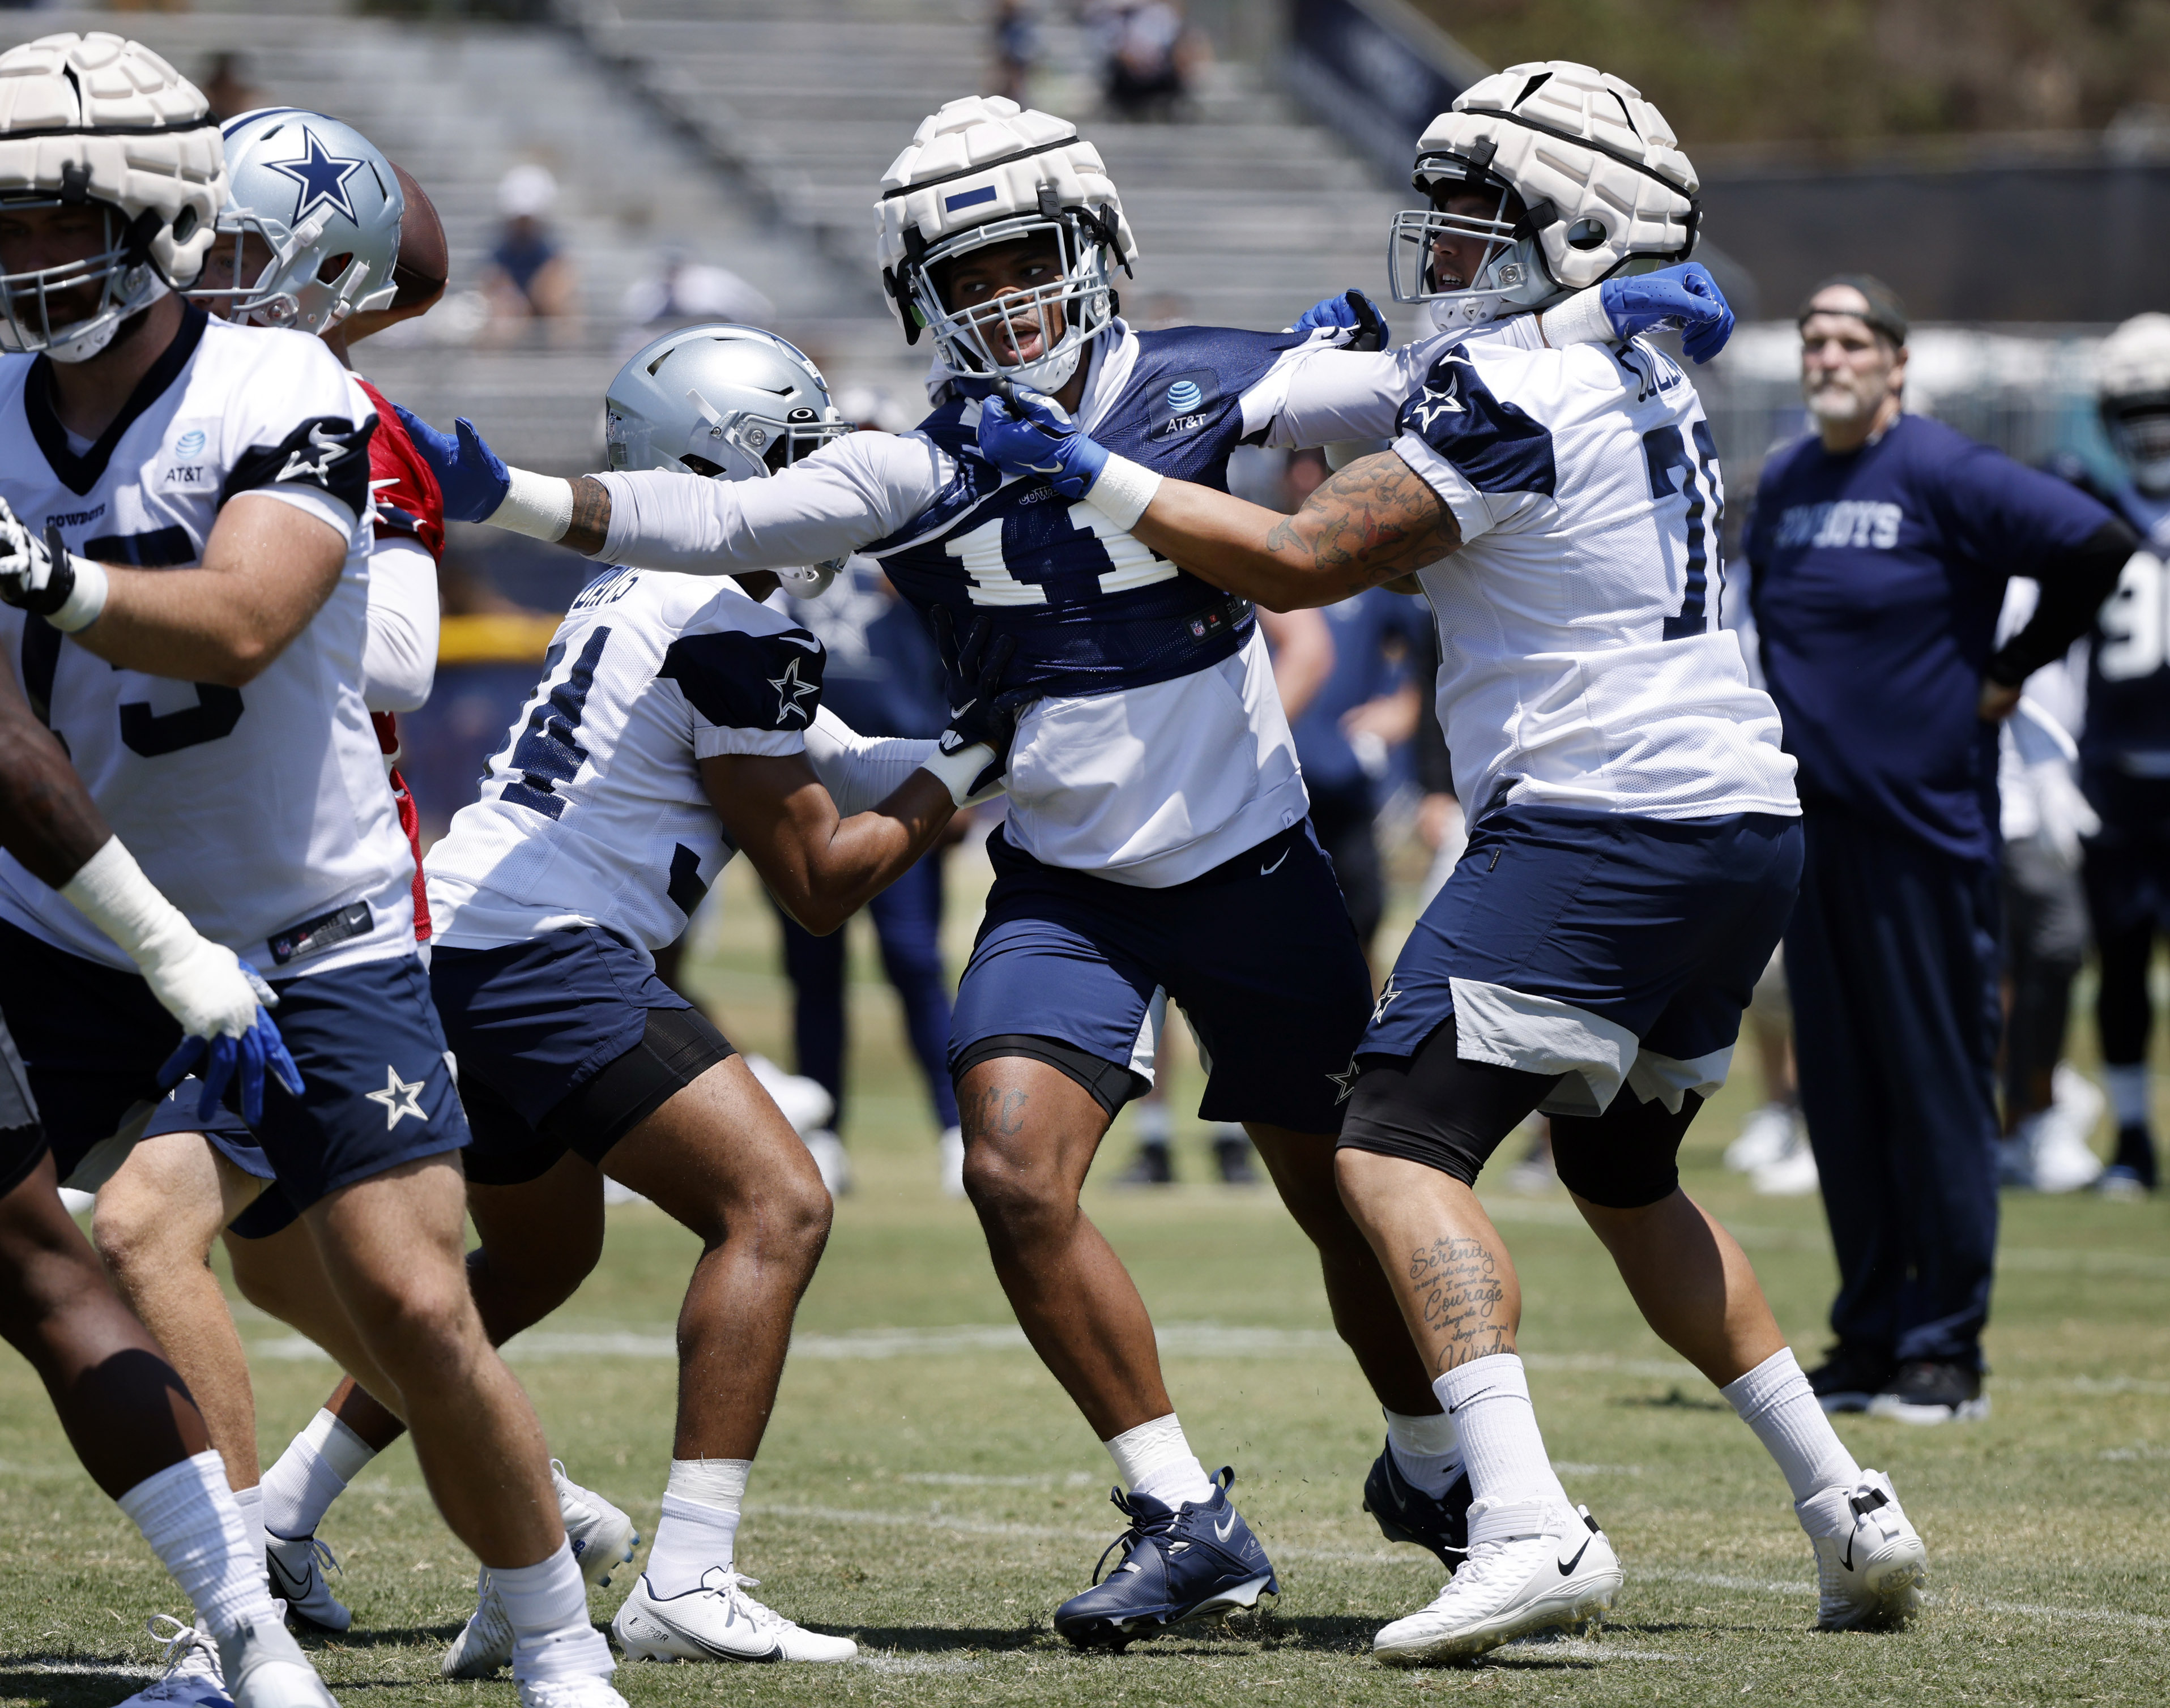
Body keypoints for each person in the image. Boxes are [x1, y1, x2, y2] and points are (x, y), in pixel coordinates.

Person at [398, 89, 1750, 1654]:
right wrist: (512, 496)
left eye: (1023, 261)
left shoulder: (1215, 380)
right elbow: (727, 511)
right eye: (963, 280)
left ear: (1094, 248)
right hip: (1061, 881)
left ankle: (1444, 1469)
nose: (1000, 302)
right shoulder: (917, 458)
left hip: (1247, 863)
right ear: (922, 298)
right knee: (1009, 1173)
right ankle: (1180, 1510)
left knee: (1350, 1196)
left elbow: (1434, 382)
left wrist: (1590, 323)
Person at [972, 59, 1935, 1665]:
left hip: (1598, 814)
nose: (1443, 236)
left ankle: (1516, 1520)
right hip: (1736, 823)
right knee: (1625, 1180)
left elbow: (1294, 558)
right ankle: (1845, 1505)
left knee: (1387, 1147)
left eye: (1481, 212)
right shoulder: (1617, 366)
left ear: (1572, 233)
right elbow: (1354, 442)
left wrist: (1098, 474)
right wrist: (1315, 386)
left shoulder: (1523, 388)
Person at [0, 35, 624, 1708]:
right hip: (62, 921)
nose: (9, 259)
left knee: (413, 1298)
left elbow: (251, 617)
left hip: (304, 917)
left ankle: (558, 1640)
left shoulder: (291, 389)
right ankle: (243, 1635)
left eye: (34, 219)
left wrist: (43, 573)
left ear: (140, 216)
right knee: (116, 1249)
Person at [263, 323, 1030, 1673]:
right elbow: (819, 876)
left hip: (467, 945)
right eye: (791, 459)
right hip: (550, 954)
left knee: (541, 1256)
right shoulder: (731, 614)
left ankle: (291, 1511)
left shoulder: (651, 591)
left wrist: (992, 757)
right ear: (720, 464)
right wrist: (966, 758)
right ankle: (689, 1570)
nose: (812, 491)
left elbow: (839, 760)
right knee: (778, 1202)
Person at [1748, 275, 2131, 1423]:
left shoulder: (1941, 470)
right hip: (1817, 836)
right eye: (1814, 339)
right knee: (1845, 1100)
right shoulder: (1783, 481)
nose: (1827, 355)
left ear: (1895, 363)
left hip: (1925, 832)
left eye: (1850, 340)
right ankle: (1866, 1333)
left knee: (1936, 1092)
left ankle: (1942, 1346)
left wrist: (2007, 672)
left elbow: (2093, 542)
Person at [1, 661, 336, 1708]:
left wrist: (83, 586)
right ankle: (535, 1523)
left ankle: (246, 1625)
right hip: (67, 939)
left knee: (139, 1236)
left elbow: (398, 662)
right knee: (283, 1274)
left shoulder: (312, 502)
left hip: (278, 936)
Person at [771, 554, 968, 1197]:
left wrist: (961, 775)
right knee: (813, 968)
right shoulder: (770, 546)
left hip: (907, 782)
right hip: (799, 789)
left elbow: (957, 653)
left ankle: (956, 1130)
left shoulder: (907, 538)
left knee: (913, 960)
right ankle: (822, 1136)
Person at [2062, 312, 2170, 1195]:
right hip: (2114, 778)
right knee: (2120, 968)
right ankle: (2130, 1136)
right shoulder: (2085, 512)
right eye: (2138, 410)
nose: (2151, 427)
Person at [482, 164, 576, 344]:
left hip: (541, 308)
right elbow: (490, 283)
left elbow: (554, 296)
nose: (524, 225)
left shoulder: (552, 254)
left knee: (563, 306)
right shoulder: (500, 253)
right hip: (511, 313)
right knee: (500, 317)